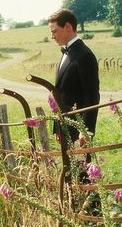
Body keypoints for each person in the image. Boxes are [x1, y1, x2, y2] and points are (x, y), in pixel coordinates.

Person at [48, 9, 100, 161]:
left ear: (68, 27)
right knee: (71, 178)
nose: (52, 36)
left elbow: (92, 95)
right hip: (65, 128)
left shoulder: (85, 55)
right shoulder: (66, 53)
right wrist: (58, 128)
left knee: (82, 178)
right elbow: (63, 95)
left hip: (79, 130)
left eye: (55, 31)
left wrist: (86, 131)